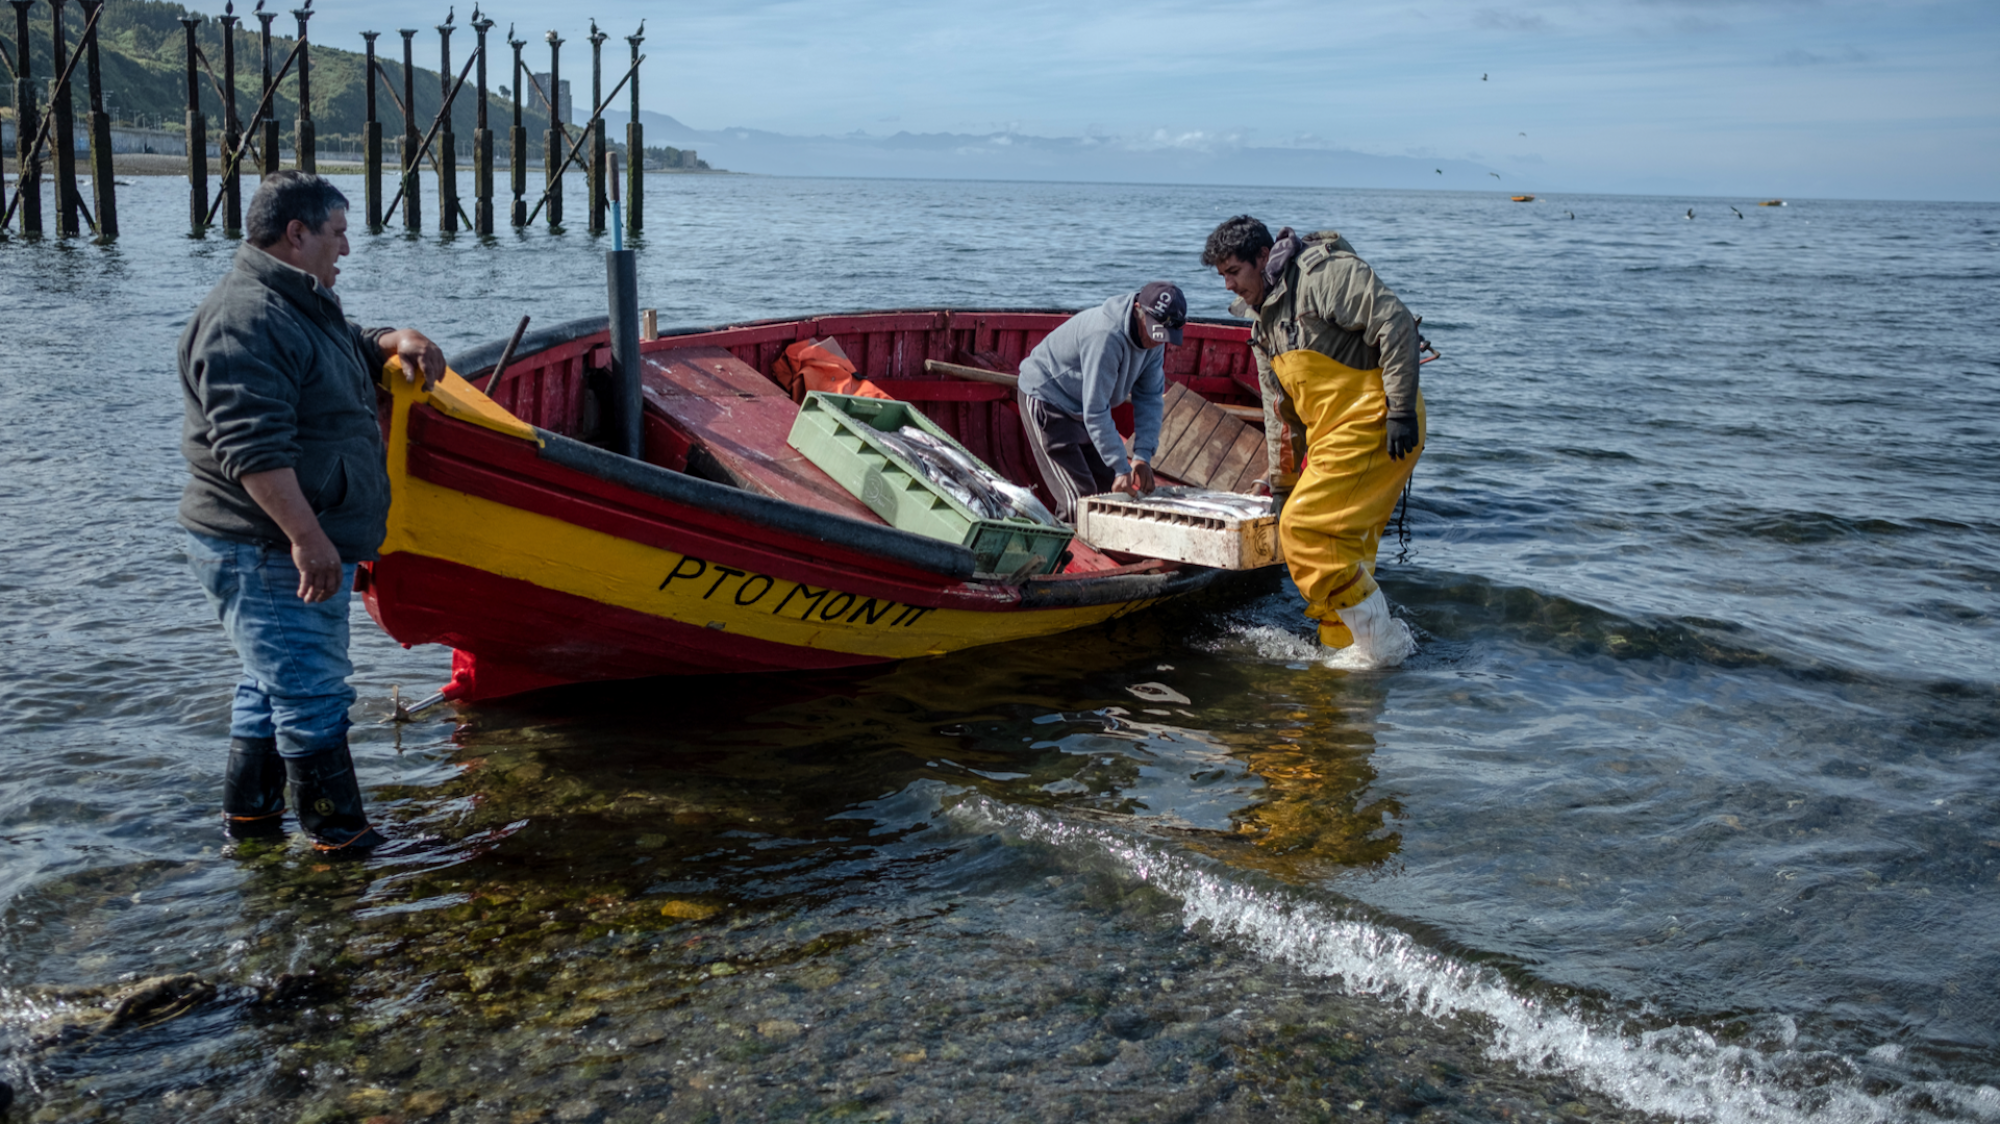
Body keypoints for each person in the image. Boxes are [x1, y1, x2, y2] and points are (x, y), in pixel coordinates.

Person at [178, 171, 444, 852]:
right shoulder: (247, 318)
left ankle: (253, 825)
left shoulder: (297, 300)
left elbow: (347, 342)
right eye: (337, 233)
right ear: (297, 235)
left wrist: (394, 339)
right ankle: (340, 839)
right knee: (313, 694)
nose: (346, 250)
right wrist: (308, 538)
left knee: (270, 685)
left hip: (279, 541)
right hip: (266, 544)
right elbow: (250, 447)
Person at [1201, 216, 1425, 662]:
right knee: (1338, 546)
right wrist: (1283, 485)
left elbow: (1396, 325)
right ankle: (1342, 654)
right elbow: (1280, 415)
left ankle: (1385, 648)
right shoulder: (1262, 325)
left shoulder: (1325, 275)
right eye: (1221, 275)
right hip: (1331, 434)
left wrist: (1400, 410)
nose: (1227, 285)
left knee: (1306, 531)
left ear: (1262, 258)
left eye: (1233, 272)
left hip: (1377, 422)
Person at [1015, 282, 1183, 523]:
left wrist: (1142, 456)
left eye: (1165, 335)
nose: (1158, 341)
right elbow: (1096, 410)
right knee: (1079, 500)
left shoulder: (1155, 341)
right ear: (1138, 310)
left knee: (1109, 490)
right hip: (1048, 398)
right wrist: (1121, 466)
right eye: (1155, 330)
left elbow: (1150, 398)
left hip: (1082, 406)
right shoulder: (1106, 336)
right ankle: (1062, 555)